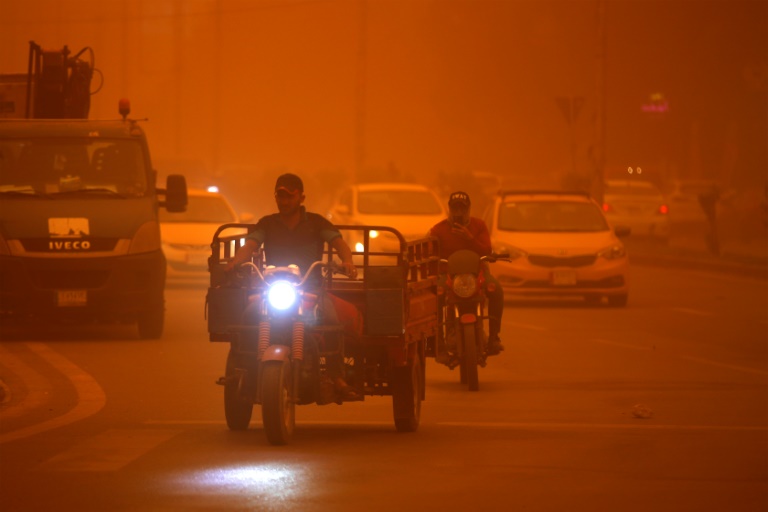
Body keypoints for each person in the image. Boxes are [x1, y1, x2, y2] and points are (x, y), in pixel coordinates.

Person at [226, 173, 361, 399]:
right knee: (248, 317)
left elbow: (339, 243)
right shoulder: (267, 224)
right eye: (280, 196)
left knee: (331, 320)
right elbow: (250, 245)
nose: (284, 201)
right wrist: (235, 262)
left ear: (301, 197)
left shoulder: (317, 223)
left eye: (289, 196)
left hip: (311, 291)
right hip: (273, 289)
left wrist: (347, 261)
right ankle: (244, 369)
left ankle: (337, 376)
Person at [428, 191, 505, 355]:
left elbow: (487, 251)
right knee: (436, 295)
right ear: (449, 209)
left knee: (496, 290)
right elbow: (429, 254)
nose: (458, 213)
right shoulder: (438, 230)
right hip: (448, 277)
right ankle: (438, 340)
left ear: (469, 209)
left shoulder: (479, 226)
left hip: (478, 275)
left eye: (462, 209)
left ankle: (494, 337)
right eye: (455, 209)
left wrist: (470, 238)